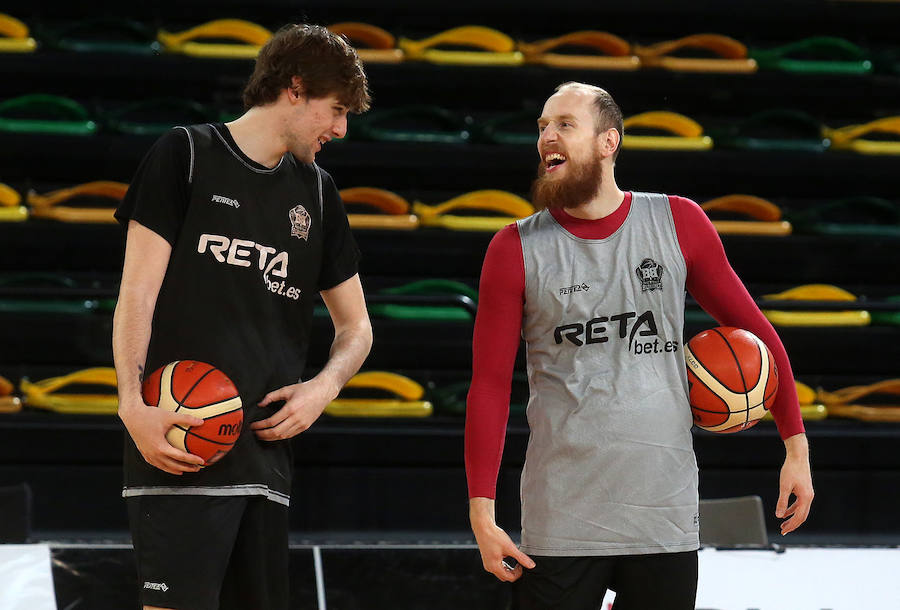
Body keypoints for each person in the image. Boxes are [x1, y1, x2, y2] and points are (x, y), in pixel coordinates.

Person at [465, 82, 814, 609]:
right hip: (563, 516)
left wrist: (795, 446)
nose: (546, 138)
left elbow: (760, 336)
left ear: (609, 142)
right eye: (541, 126)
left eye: (564, 124)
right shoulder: (513, 248)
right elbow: (489, 386)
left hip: (662, 514)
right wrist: (481, 512)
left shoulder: (679, 223)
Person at [112, 24, 373, 610]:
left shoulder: (320, 194)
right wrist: (132, 403)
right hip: (179, 440)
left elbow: (358, 329)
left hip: (265, 457)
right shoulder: (183, 155)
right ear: (296, 88)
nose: (340, 129)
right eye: (335, 110)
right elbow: (136, 297)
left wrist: (321, 389)